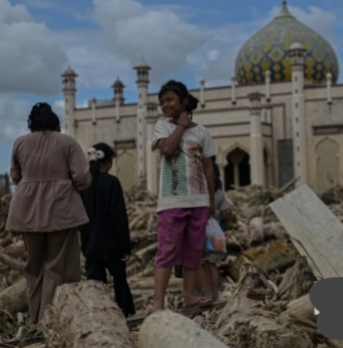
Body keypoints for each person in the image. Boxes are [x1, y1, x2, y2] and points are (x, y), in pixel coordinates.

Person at [6, 102, 91, 328]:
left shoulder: (20, 143)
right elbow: (82, 177)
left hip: (26, 212)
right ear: (55, 122)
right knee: (57, 266)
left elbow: (16, 177)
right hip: (61, 211)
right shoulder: (68, 143)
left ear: (31, 123)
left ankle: (35, 318)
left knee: (33, 267)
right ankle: (49, 320)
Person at [148, 80, 217, 313]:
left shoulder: (202, 132)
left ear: (184, 101)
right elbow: (167, 149)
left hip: (198, 201)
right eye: (162, 102)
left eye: (170, 100)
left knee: (193, 252)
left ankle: (190, 296)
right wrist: (181, 125)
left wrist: (211, 201)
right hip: (172, 201)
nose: (165, 105)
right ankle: (158, 300)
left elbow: (208, 167)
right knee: (167, 250)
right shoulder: (162, 127)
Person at [79, 142, 135, 317]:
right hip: (112, 246)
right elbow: (118, 217)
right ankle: (125, 314)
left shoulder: (84, 186)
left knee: (95, 287)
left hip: (91, 246)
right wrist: (125, 246)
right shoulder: (112, 183)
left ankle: (100, 316)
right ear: (109, 161)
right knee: (120, 282)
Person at [197, 157, 235, 301]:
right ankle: (215, 294)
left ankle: (206, 294)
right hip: (216, 234)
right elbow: (226, 213)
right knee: (213, 265)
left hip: (202, 232)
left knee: (200, 264)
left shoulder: (200, 190)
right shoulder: (219, 192)